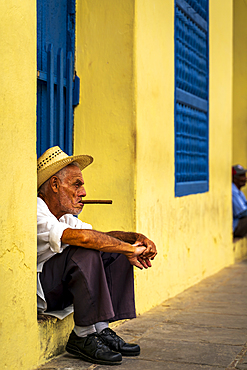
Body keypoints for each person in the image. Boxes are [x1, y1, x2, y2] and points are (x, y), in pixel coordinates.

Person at [37, 146, 157, 366]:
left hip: (62, 289)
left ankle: (101, 329)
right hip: (45, 295)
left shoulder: (64, 216)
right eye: (77, 185)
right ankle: (82, 336)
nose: (83, 192)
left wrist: (133, 239)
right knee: (85, 249)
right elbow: (83, 240)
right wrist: (129, 249)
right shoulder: (36, 210)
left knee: (113, 249)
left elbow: (98, 236)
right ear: (54, 184)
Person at [232, 164, 247, 238]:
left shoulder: (239, 191)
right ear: (234, 179)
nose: (245, 178)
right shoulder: (232, 191)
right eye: (242, 176)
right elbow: (242, 212)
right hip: (235, 226)